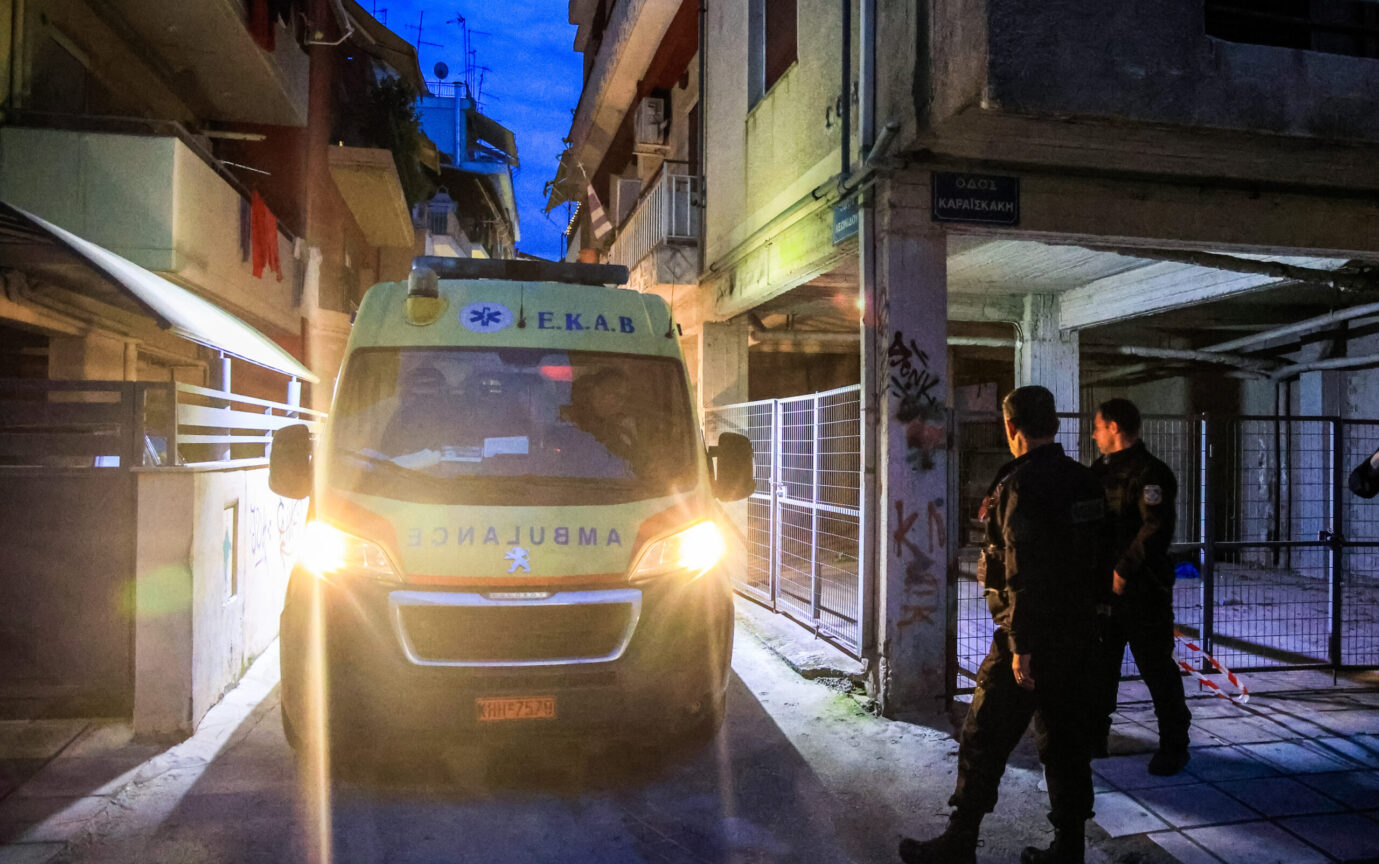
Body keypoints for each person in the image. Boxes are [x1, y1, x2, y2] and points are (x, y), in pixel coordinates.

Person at [899, 386, 1109, 864]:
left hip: (1029, 638)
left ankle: (960, 842)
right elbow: (1099, 558)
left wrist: (1021, 645)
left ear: (1011, 427)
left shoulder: (1021, 485)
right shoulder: (1085, 481)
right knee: (1067, 744)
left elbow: (1023, 569)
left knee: (983, 735)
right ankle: (1069, 850)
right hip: (1078, 636)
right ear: (1054, 423)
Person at [1090, 398, 1192, 777]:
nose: (1094, 434)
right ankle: (1094, 738)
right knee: (1100, 667)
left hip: (1142, 591)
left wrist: (1123, 571)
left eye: (1098, 427)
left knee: (1156, 668)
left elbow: (1155, 528)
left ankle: (1174, 746)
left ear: (1114, 428)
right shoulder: (1099, 471)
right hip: (1103, 591)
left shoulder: (1151, 473)